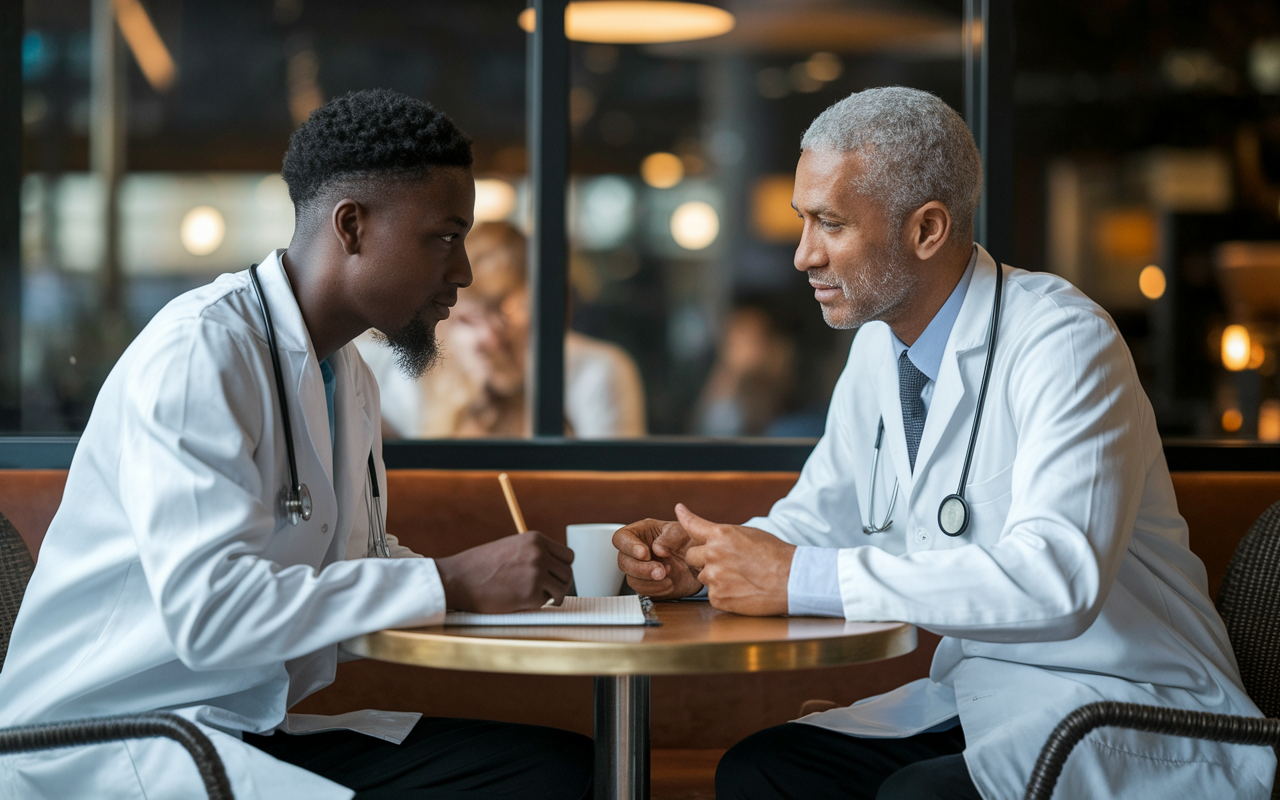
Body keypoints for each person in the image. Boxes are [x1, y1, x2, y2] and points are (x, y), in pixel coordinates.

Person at [613, 87, 1276, 799]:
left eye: (830, 224)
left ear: (927, 230)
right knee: (763, 770)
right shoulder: (878, 350)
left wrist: (799, 577)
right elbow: (817, 521)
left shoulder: (1063, 340)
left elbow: (1059, 579)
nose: (804, 255)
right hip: (986, 699)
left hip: (1124, 709)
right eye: (804, 221)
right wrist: (709, 564)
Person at [0, 90, 592, 800]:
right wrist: (453, 580)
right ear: (352, 226)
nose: (462, 272)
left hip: (236, 723)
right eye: (444, 235)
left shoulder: (346, 369)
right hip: (116, 743)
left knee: (555, 769)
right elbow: (211, 614)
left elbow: (353, 560)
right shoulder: (201, 352)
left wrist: (498, 585)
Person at [360, 221, 646, 438]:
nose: (488, 337)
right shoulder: (385, 369)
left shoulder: (598, 369)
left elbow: (609, 492)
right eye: (468, 320)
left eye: (507, 315)